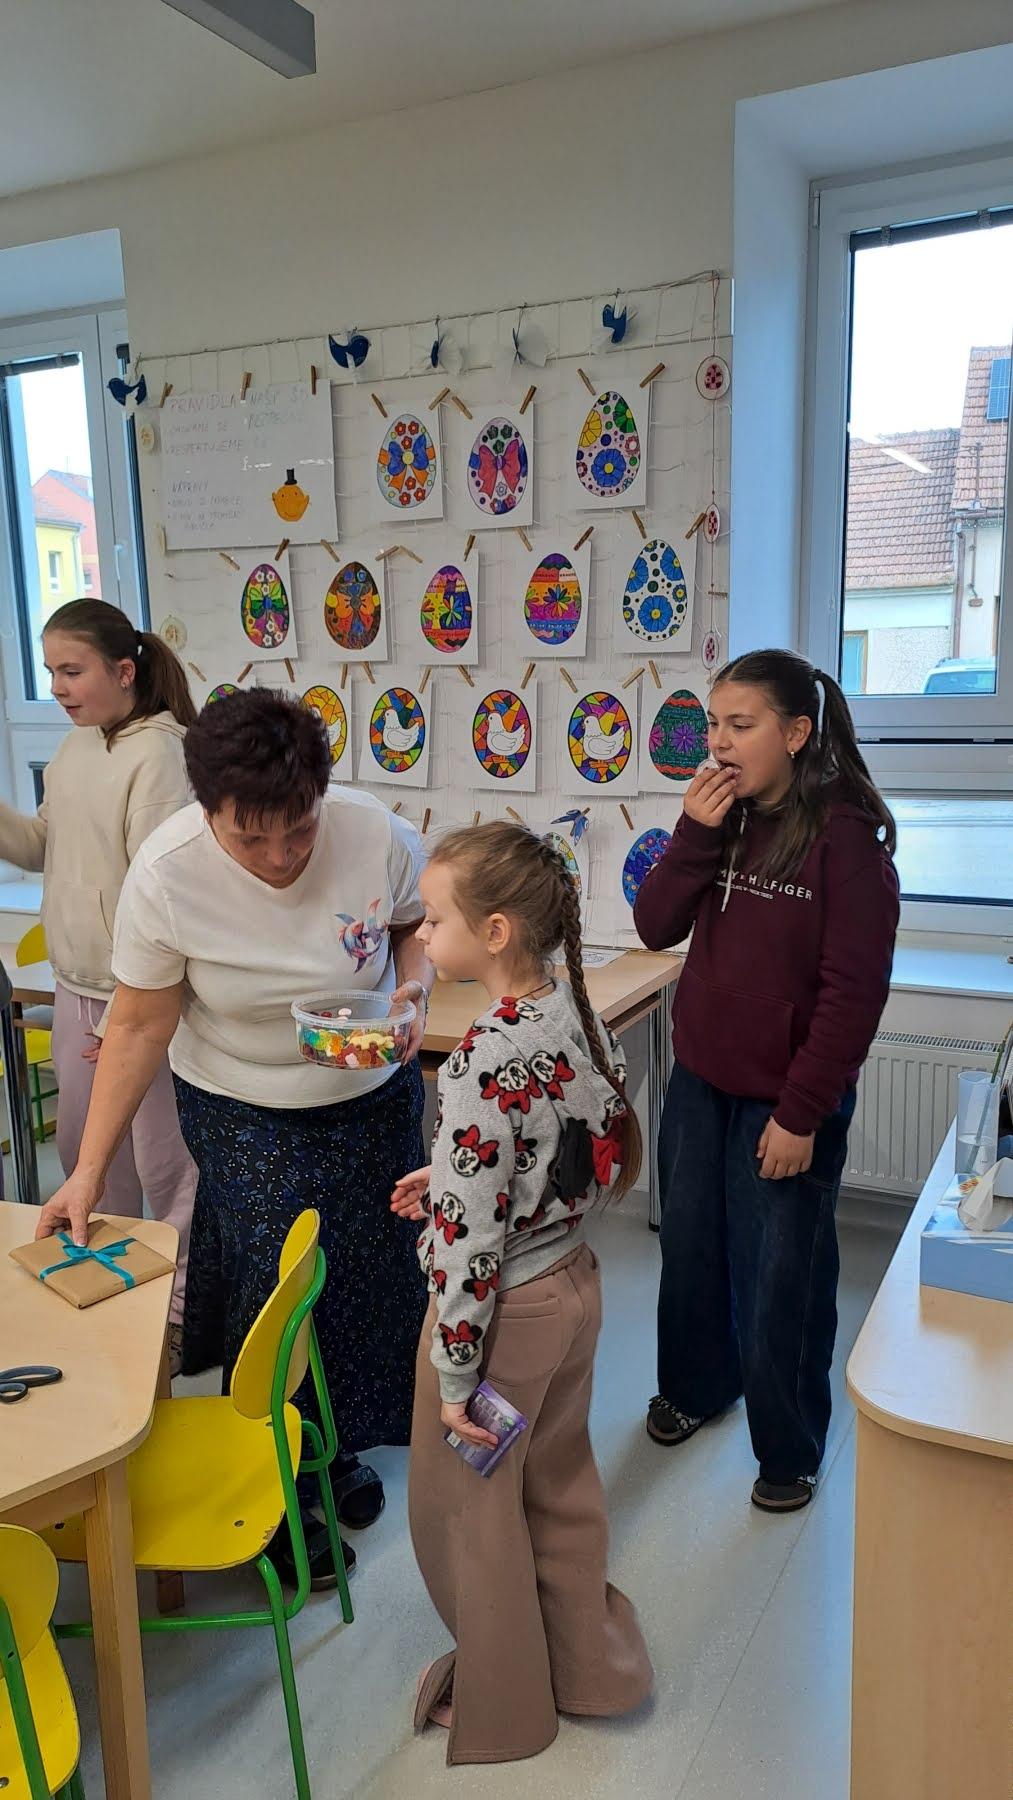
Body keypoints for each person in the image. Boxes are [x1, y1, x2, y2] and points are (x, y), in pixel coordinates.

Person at [36, 687, 432, 1587]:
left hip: (369, 1095)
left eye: (299, 830)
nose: (281, 856)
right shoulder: (168, 871)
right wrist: (88, 1172)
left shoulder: (372, 830)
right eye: (250, 838)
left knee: (367, 1276)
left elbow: (412, 926)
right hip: (242, 1104)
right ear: (207, 809)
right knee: (277, 1288)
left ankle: (330, 1450)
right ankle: (275, 1488)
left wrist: (412, 988)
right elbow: (139, 1025)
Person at [392, 821, 653, 1765]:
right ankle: (591, 1671)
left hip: (506, 1318)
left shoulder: (478, 1056)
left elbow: (468, 1252)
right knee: (558, 1487)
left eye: (434, 918)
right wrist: (454, 1175)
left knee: (469, 1516)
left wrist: (455, 1378)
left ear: (494, 931)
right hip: (571, 1287)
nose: (422, 935)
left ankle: (505, 1710)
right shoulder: (573, 1010)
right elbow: (573, 1143)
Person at [634, 649, 899, 1512]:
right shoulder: (720, 819)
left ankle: (788, 1449)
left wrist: (800, 1115)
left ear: (794, 733)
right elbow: (654, 925)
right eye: (712, 723)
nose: (716, 742)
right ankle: (695, 1387)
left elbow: (852, 998)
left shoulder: (846, 843)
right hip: (700, 1084)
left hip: (784, 1102)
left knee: (781, 1277)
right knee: (690, 1251)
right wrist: (692, 836)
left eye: (738, 725)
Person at [0, 598, 198, 1361]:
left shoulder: (160, 754)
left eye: (71, 670)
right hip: (78, 988)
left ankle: (177, 1314)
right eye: (51, 671)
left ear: (123, 670)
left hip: (141, 999)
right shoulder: (77, 746)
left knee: (164, 1162)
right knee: (89, 1153)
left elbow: (159, 896)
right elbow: (41, 846)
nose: (57, 687)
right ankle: (103, 1288)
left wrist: (124, 1011)